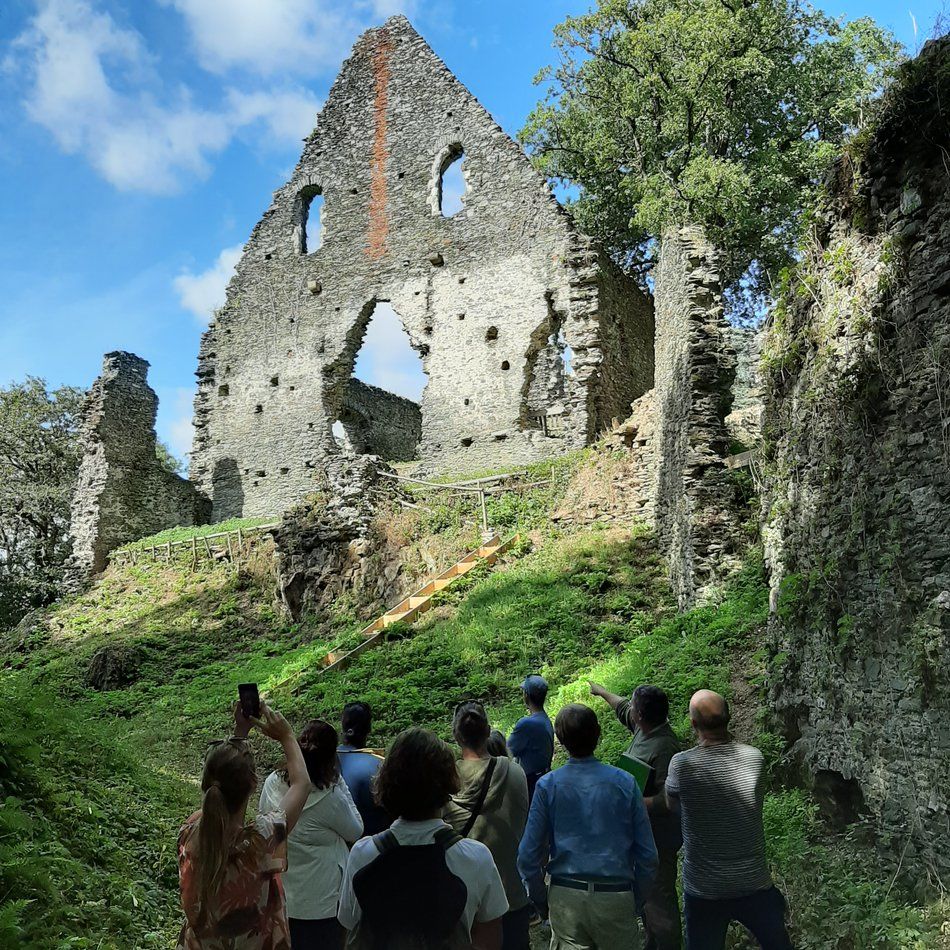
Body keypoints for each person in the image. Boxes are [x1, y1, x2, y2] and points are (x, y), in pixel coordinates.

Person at [338, 727, 509, 949]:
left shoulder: (362, 855)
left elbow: (350, 930)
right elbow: (489, 942)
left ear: (387, 783)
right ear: (447, 782)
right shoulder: (476, 858)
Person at [518, 704, 658, 950]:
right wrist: (634, 900)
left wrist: (542, 900)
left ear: (560, 740)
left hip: (566, 897)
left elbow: (528, 856)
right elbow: (648, 855)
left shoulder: (548, 786)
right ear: (598, 734)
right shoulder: (625, 783)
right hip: (615, 895)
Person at [177, 701, 311, 950]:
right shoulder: (259, 842)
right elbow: (302, 784)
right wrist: (287, 735)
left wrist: (240, 734)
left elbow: (218, 795)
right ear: (253, 784)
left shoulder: (188, 833)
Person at [665, 690, 793, 950]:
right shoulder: (754, 757)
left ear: (693, 724)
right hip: (753, 882)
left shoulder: (682, 765)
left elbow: (672, 805)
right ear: (729, 718)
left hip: (704, 887)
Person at [590, 681, 682, 950]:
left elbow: (670, 800)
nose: (630, 710)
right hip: (639, 836)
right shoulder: (645, 727)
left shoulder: (665, 748)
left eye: (635, 708)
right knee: (645, 899)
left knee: (659, 901)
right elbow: (622, 708)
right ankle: (653, 942)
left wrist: (634, 801)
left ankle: (667, 944)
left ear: (641, 716)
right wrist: (601, 691)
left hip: (658, 841)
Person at [259, 719, 363, 950]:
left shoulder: (272, 783)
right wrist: (339, 780)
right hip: (322, 900)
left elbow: (264, 824)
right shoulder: (331, 796)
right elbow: (356, 830)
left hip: (282, 895)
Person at [443, 702, 531, 950]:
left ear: (456, 736)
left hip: (463, 900)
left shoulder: (446, 781)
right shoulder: (515, 773)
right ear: (488, 731)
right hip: (509, 892)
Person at [337, 701, 390, 835]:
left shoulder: (322, 759)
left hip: (336, 838)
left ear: (343, 728)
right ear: (369, 729)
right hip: (371, 841)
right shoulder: (380, 765)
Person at [506, 675, 554, 800]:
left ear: (526, 695)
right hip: (543, 777)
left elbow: (506, 751)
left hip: (531, 783)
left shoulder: (527, 724)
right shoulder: (545, 719)